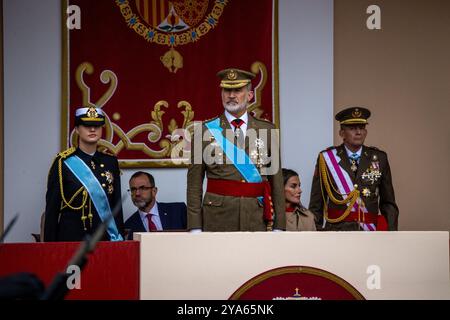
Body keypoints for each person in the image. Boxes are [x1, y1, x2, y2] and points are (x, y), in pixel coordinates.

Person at [187, 68, 285, 231]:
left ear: (249, 95)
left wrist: (279, 225)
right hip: (217, 218)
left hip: (255, 216)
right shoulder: (204, 131)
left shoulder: (267, 130)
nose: (231, 95)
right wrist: (195, 226)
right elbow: (194, 184)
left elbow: (276, 181)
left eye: (237, 90)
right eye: (227, 90)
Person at [309, 107, 399, 231]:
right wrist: (316, 234)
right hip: (336, 232)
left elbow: (388, 203)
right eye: (352, 128)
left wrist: (391, 233)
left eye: (361, 128)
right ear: (341, 133)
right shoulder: (326, 158)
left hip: (370, 232)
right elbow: (316, 203)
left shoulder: (379, 158)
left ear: (366, 132)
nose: (358, 132)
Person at [44, 106, 124, 241]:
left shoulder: (111, 162)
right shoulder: (63, 163)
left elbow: (116, 207)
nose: (92, 129)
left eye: (97, 125)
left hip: (104, 239)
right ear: (76, 129)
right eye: (86, 125)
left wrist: (120, 241)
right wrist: (50, 249)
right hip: (71, 238)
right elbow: (52, 211)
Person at [125, 171, 187, 239]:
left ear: (154, 191)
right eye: (133, 189)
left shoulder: (178, 210)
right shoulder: (128, 225)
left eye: (142, 188)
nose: (137, 194)